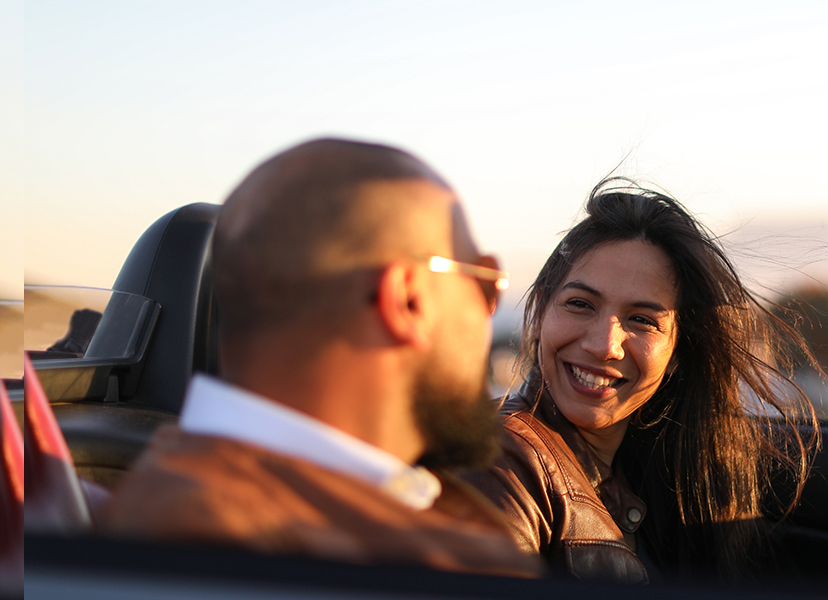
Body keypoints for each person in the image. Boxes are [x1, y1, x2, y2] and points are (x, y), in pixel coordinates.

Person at [100, 138, 541, 578]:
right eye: (485, 281)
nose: (488, 313)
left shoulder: (191, 494)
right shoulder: (231, 546)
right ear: (408, 300)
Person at [464, 180, 819, 583]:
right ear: (541, 311)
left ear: (677, 353)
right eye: (580, 304)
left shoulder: (659, 473)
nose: (604, 345)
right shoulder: (501, 461)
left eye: (642, 320)